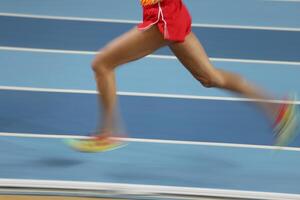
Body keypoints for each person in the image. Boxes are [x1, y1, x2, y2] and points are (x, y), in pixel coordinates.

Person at [67, 0, 298, 152]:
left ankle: (108, 132)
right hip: (171, 14)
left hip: (163, 19)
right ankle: (278, 108)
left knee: (102, 64)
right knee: (210, 78)